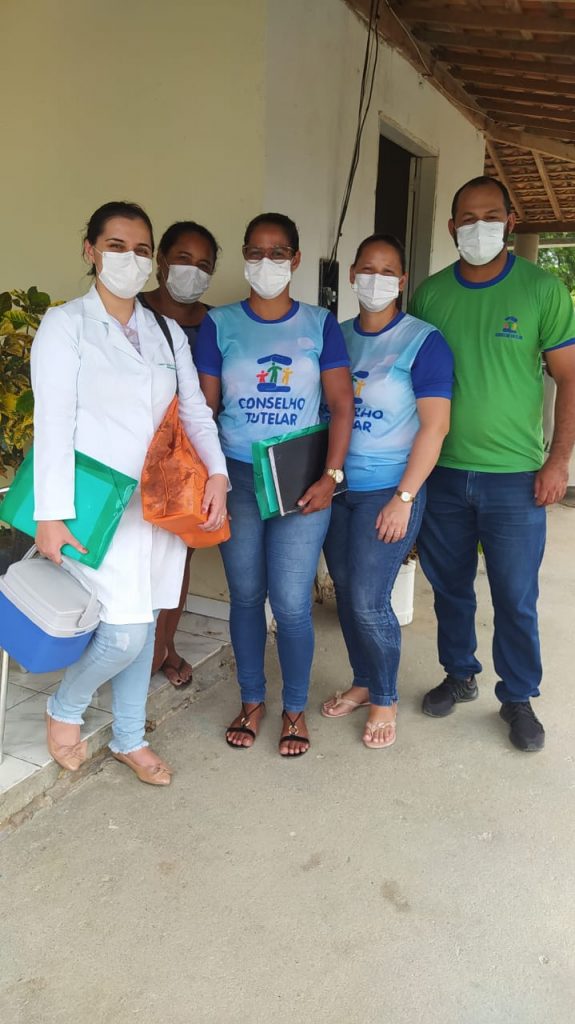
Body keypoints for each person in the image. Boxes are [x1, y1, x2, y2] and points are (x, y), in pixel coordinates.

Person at [31, 201, 228, 785]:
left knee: (145, 618)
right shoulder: (66, 325)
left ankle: (129, 737)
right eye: (116, 246)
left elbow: (194, 411)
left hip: (159, 506)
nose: (130, 259)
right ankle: (65, 706)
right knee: (124, 632)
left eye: (141, 249)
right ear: (90, 250)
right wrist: (50, 514)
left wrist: (217, 474)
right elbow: (53, 422)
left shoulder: (165, 331)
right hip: (96, 506)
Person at [409, 175, 575, 752]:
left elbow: (569, 377)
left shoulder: (542, 290)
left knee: (514, 594)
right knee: (450, 587)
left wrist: (558, 460)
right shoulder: (430, 296)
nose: (478, 227)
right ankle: (460, 674)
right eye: (467, 218)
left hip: (516, 478)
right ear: (451, 226)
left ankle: (518, 696)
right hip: (443, 472)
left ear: (510, 221)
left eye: (490, 216)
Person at [195, 212, 354, 755]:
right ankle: (251, 700)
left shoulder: (320, 324)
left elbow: (341, 405)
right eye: (256, 252)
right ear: (244, 256)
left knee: (289, 603)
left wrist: (331, 476)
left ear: (296, 259)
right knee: (245, 595)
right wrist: (210, 477)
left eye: (278, 252)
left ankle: (294, 708)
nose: (267, 262)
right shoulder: (219, 324)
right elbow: (204, 410)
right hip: (237, 474)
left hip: (300, 479)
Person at [321, 234, 453, 748]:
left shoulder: (423, 341)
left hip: (389, 489)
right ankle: (362, 680)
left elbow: (435, 427)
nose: (375, 280)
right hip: (338, 487)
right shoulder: (337, 336)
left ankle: (384, 697)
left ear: (401, 281)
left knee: (368, 600)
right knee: (347, 589)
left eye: (387, 271)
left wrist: (404, 498)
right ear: (352, 274)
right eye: (366, 269)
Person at [139, 220, 219, 688]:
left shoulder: (217, 323)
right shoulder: (132, 311)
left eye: (204, 264)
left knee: (177, 559)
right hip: (134, 454)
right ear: (162, 261)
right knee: (128, 555)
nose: (193, 270)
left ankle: (164, 647)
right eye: (184, 259)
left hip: (190, 461)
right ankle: (124, 650)